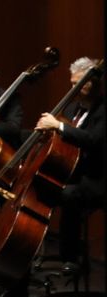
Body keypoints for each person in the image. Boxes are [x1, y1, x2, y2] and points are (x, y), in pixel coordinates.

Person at [43, 58, 104, 281]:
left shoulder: (103, 110)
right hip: (71, 173)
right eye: (72, 84)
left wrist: (59, 126)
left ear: (95, 83)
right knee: (39, 186)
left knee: (69, 194)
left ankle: (72, 258)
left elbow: (95, 140)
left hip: (95, 179)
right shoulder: (71, 107)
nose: (74, 89)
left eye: (80, 84)